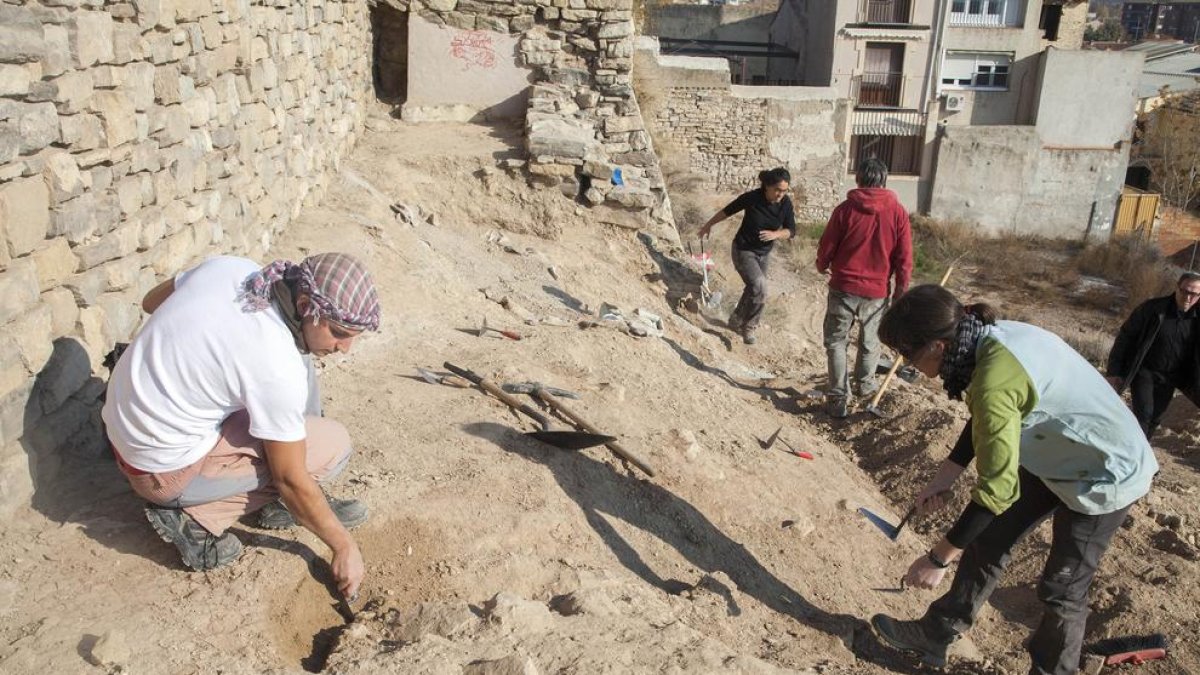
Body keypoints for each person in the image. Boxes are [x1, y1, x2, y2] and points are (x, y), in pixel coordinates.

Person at [869, 285, 1157, 674]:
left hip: (1106, 470)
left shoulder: (994, 376)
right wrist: (946, 474)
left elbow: (996, 490)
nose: (909, 364)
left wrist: (937, 558)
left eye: (909, 354)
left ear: (937, 346)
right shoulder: (983, 341)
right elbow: (987, 417)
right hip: (1055, 451)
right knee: (988, 541)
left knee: (1063, 587)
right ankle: (937, 633)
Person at [102, 253, 381, 600]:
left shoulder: (236, 270)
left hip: (124, 422)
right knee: (333, 447)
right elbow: (290, 478)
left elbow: (150, 302)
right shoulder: (274, 364)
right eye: (339, 333)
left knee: (302, 366)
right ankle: (194, 518)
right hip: (157, 471)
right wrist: (343, 545)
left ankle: (292, 503)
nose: (346, 348)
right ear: (306, 302)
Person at [815, 158, 912, 418]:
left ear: (858, 179)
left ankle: (838, 399)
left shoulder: (845, 210)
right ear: (883, 180)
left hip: (843, 287)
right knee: (870, 342)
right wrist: (901, 290)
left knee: (836, 342)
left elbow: (827, 245)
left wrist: (821, 264)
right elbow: (904, 258)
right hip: (877, 292)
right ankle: (865, 387)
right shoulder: (898, 212)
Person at [697, 167, 796, 345]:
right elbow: (728, 210)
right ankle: (749, 327)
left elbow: (791, 230)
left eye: (784, 191)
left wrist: (776, 234)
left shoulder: (785, 204)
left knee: (754, 288)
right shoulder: (752, 198)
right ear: (767, 186)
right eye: (777, 190)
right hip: (743, 250)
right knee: (760, 287)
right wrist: (708, 225)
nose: (780, 194)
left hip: (764, 254)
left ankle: (735, 319)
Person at [1105, 271, 1200, 440]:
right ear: (1177, 288)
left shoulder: (1197, 319)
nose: (1188, 298)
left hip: (1172, 377)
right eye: (1185, 291)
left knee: (1155, 418)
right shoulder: (1154, 309)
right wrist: (1114, 371)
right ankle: (1134, 457)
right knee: (1144, 414)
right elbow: (1126, 337)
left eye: (1193, 294)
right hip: (1145, 371)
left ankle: (1138, 451)